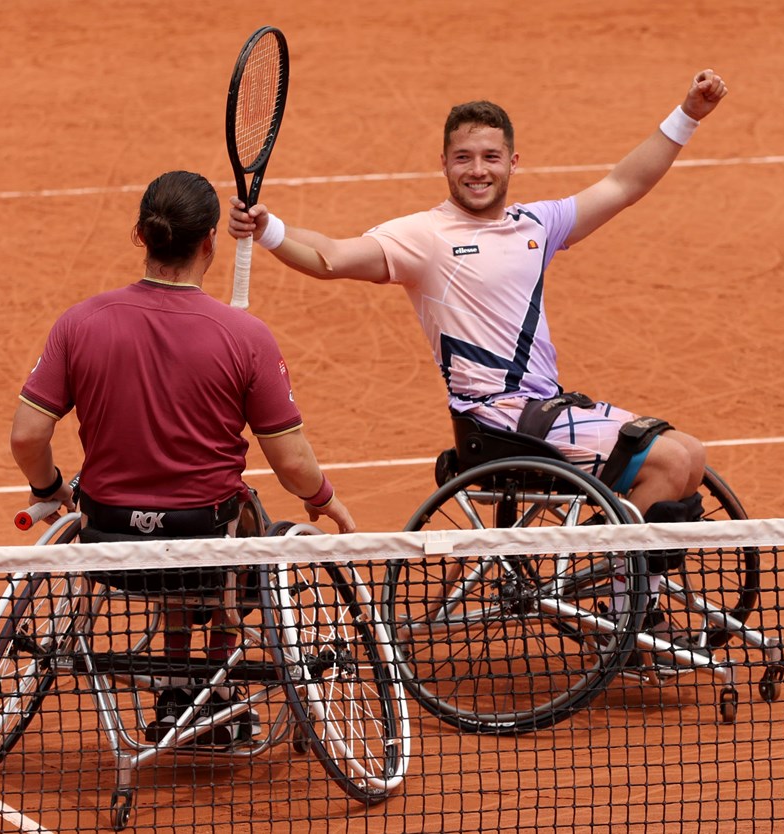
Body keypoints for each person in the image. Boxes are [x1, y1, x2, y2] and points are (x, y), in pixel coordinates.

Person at [228, 70, 729, 532]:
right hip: (495, 419)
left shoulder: (538, 224)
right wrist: (269, 229)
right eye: (463, 157)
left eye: (490, 157)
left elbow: (623, 185)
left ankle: (619, 566)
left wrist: (687, 115)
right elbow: (332, 257)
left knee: (691, 453)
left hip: (545, 408)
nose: (477, 171)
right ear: (444, 162)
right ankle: (619, 585)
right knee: (669, 461)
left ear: (513, 162)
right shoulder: (424, 236)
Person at [10, 169, 355, 745]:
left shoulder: (80, 323)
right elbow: (293, 463)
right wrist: (325, 501)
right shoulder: (246, 336)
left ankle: (176, 681)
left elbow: (27, 437)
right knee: (244, 522)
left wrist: (48, 490)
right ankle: (214, 687)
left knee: (191, 534)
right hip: (204, 536)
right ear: (210, 243)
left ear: (141, 235)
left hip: (107, 540)